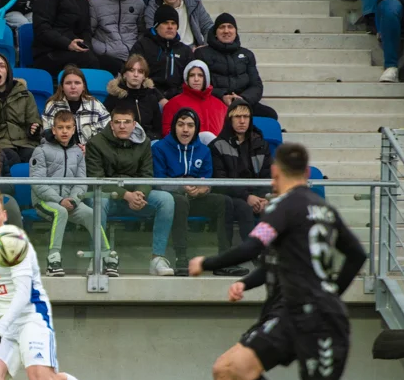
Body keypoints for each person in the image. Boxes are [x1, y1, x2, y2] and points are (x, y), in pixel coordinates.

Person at [189, 144, 404, 380]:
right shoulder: (323, 208)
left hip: (313, 317)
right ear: (308, 174)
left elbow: (251, 248)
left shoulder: (282, 207)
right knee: (238, 365)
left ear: (275, 173)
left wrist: (206, 263)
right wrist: (332, 293)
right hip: (303, 312)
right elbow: (356, 254)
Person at [0, 188, 119, 380]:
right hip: (4, 322)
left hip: (32, 315)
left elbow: (22, 294)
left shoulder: (16, 243)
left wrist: (1, 326)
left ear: (4, 215)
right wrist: (2, 324)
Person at [198, 262, 313, 380]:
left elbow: (354, 254)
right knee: (226, 370)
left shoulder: (302, 239)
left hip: (288, 320)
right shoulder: (279, 243)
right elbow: (269, 267)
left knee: (228, 368)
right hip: (272, 318)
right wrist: (243, 283)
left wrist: (207, 262)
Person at [86, 103, 175, 276]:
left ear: (134, 124)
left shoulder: (144, 143)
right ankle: (98, 256)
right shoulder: (96, 144)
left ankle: (157, 258)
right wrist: (126, 195)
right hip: (108, 197)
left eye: (127, 122)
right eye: (117, 122)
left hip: (135, 197)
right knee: (98, 200)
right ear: (111, 124)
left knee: (166, 200)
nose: (122, 126)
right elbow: (96, 180)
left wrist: (140, 194)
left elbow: (147, 175)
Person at [30, 110, 114, 277]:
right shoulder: (41, 150)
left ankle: (105, 255)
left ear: (74, 129)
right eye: (60, 127)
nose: (64, 131)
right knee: (60, 212)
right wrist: (60, 200)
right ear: (53, 130)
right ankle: (53, 259)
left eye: (68, 127)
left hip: (71, 201)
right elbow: (37, 182)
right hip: (45, 201)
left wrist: (74, 200)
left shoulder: (78, 152)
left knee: (91, 213)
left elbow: (82, 181)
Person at [153, 107, 234, 276]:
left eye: (190, 125)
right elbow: (157, 182)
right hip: (173, 198)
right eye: (181, 124)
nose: (185, 129)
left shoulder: (203, 150)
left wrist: (204, 189)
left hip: (196, 197)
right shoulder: (160, 148)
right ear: (174, 126)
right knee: (180, 202)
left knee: (224, 201)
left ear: (196, 128)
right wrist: (180, 186)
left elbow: (207, 178)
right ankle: (181, 258)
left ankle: (225, 260)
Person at [210, 99, 272, 244]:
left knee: (274, 207)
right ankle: (250, 252)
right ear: (230, 119)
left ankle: (272, 252)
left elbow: (267, 176)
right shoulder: (217, 145)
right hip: (233, 195)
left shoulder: (261, 145)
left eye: (246, 117)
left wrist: (261, 198)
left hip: (258, 195)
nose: (242, 121)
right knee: (244, 207)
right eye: (238, 117)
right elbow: (220, 180)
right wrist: (247, 197)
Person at [195, 13, 277, 120]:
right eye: (222, 27)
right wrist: (222, 96)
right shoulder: (202, 53)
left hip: (242, 102)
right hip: (215, 101)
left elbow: (256, 86)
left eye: (230, 27)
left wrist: (242, 99)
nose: (226, 31)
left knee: (270, 115)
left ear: (235, 31)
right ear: (215, 32)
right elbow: (199, 84)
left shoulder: (247, 54)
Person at [32, 0, 102, 79]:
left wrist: (85, 45)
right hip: (49, 52)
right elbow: (42, 29)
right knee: (90, 61)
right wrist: (67, 44)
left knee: (113, 64)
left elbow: (86, 30)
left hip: (74, 49)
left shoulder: (83, 2)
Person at [89, 0, 146, 74]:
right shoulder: (95, 3)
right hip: (108, 57)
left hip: (133, 56)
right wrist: (103, 49)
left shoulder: (138, 2)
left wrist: (136, 50)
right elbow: (89, 32)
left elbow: (142, 31)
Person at [131, 4, 194, 99]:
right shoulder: (142, 46)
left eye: (173, 23)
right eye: (165, 23)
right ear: (156, 25)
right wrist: (159, 98)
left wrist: (177, 98)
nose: (170, 27)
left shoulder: (185, 51)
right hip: (147, 96)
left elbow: (189, 80)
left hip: (178, 99)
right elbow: (135, 76)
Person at [41, 65, 110, 146]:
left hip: (92, 152)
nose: (73, 87)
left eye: (77, 83)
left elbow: (107, 133)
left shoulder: (95, 104)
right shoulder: (53, 105)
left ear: (83, 86)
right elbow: (47, 135)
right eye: (68, 83)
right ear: (62, 87)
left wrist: (90, 149)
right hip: (60, 152)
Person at [162, 61, 227, 141]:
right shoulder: (174, 103)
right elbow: (167, 131)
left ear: (206, 78)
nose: (196, 79)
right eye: (192, 75)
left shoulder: (220, 105)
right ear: (187, 78)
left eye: (200, 75)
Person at [106, 54, 165, 141]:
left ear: (144, 76)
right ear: (125, 74)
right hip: (121, 142)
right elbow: (106, 126)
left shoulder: (151, 97)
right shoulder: (114, 97)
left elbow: (157, 129)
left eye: (140, 71)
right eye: (131, 70)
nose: (136, 75)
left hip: (147, 142)